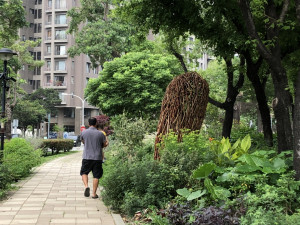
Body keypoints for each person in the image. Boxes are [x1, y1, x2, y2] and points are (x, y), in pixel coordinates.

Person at [80, 117, 107, 199]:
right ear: (96, 124)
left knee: (84, 172)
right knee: (96, 176)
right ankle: (94, 194)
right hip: (97, 157)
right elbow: (104, 144)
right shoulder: (100, 134)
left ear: (88, 124)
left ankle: (86, 186)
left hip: (87, 156)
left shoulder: (84, 133)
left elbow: (83, 142)